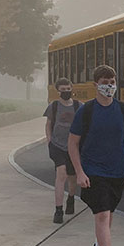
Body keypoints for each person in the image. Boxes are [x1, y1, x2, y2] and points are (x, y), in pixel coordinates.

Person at [68, 65, 124, 246]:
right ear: (95, 85)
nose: (109, 85)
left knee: (108, 216)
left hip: (117, 171)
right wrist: (79, 172)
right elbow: (73, 143)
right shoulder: (86, 111)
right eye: (105, 81)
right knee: (102, 214)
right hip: (93, 171)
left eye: (112, 81)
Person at [43, 77, 80, 224]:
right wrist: (49, 140)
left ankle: (71, 198)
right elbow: (49, 124)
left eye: (68, 89)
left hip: (74, 146)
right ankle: (58, 210)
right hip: (58, 146)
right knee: (61, 174)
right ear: (58, 91)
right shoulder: (54, 106)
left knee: (73, 178)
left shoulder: (78, 106)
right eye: (63, 90)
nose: (66, 92)